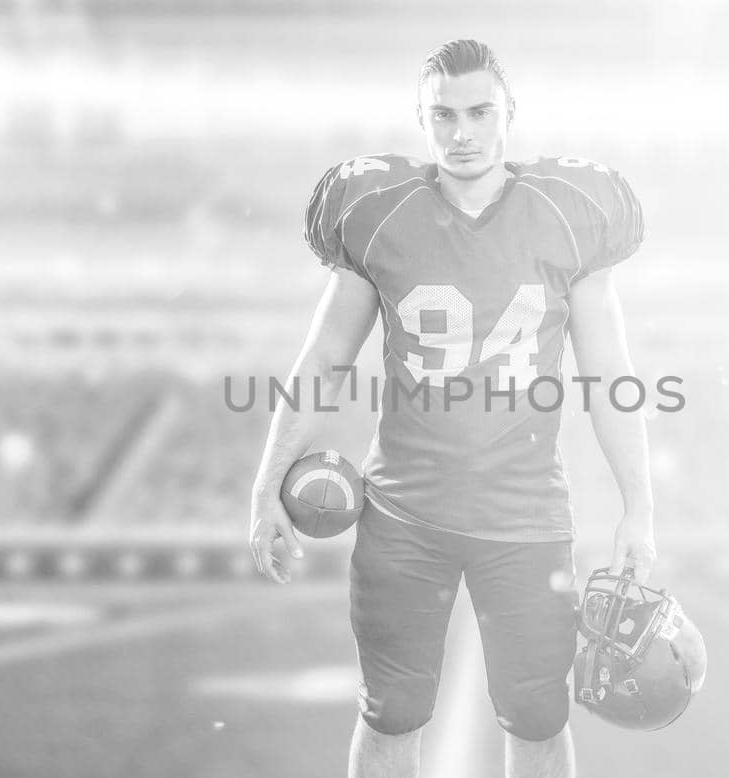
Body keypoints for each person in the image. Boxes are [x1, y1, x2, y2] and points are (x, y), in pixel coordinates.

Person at [247, 38, 655, 778]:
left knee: (538, 719)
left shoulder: (568, 216)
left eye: (478, 112)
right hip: (405, 519)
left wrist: (640, 508)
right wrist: (263, 486)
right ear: (421, 119)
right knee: (391, 716)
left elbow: (608, 374)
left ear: (508, 114)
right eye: (443, 116)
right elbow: (324, 360)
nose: (461, 133)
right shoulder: (380, 215)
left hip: (527, 520)